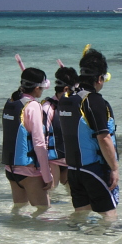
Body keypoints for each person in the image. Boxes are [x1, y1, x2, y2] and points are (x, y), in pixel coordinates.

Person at [57, 48, 120, 228]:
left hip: (74, 169)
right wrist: (114, 168)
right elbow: (104, 138)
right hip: (94, 169)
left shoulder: (67, 99)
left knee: (81, 213)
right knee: (109, 215)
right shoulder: (94, 101)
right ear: (100, 78)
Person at [1, 67, 55, 217]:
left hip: (11, 169)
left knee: (18, 209)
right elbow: (39, 144)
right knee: (44, 210)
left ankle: (14, 237)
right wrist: (47, 176)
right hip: (29, 171)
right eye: (42, 88)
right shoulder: (33, 107)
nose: (43, 91)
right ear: (37, 88)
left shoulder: (11, 102)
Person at [42, 66, 78, 195]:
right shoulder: (48, 108)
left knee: (73, 189)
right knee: (51, 187)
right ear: (66, 89)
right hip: (52, 159)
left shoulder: (75, 105)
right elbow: (42, 136)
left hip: (69, 158)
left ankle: (75, 214)